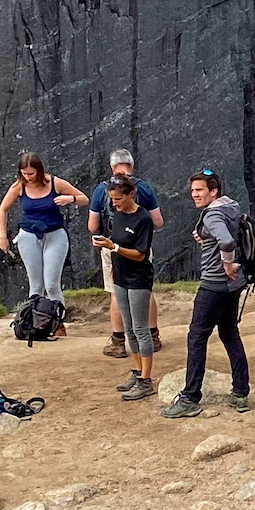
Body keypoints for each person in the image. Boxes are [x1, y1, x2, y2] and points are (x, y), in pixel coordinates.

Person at [160, 169, 251, 419]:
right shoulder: (230, 207)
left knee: (197, 337)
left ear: (213, 191)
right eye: (192, 191)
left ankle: (190, 398)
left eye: (199, 190)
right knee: (229, 333)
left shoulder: (212, 215)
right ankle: (241, 393)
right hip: (233, 286)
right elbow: (224, 236)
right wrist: (207, 239)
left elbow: (227, 242)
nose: (194, 195)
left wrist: (226, 263)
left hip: (214, 285)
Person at [90, 149, 164, 359]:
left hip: (110, 245)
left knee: (116, 291)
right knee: (144, 291)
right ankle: (153, 337)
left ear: (112, 167)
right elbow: (158, 222)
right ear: (131, 165)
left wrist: (106, 241)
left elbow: (92, 225)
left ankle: (118, 341)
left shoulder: (100, 190)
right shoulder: (145, 189)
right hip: (140, 246)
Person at [0, 154, 85, 320]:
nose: (27, 177)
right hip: (28, 235)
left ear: (39, 171)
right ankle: (34, 322)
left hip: (55, 234)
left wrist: (70, 199)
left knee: (51, 284)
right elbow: (3, 209)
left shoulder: (55, 183)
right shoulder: (19, 186)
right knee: (36, 285)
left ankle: (57, 322)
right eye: (24, 173)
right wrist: (2, 236)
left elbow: (84, 199)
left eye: (31, 173)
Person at [95, 177, 158, 400]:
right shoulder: (119, 214)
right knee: (129, 328)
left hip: (138, 279)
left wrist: (114, 247)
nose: (115, 204)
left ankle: (147, 380)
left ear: (131, 194)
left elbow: (140, 254)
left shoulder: (143, 219)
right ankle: (138, 372)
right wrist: (110, 250)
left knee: (141, 328)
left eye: (118, 199)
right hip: (120, 276)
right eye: (112, 200)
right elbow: (117, 240)